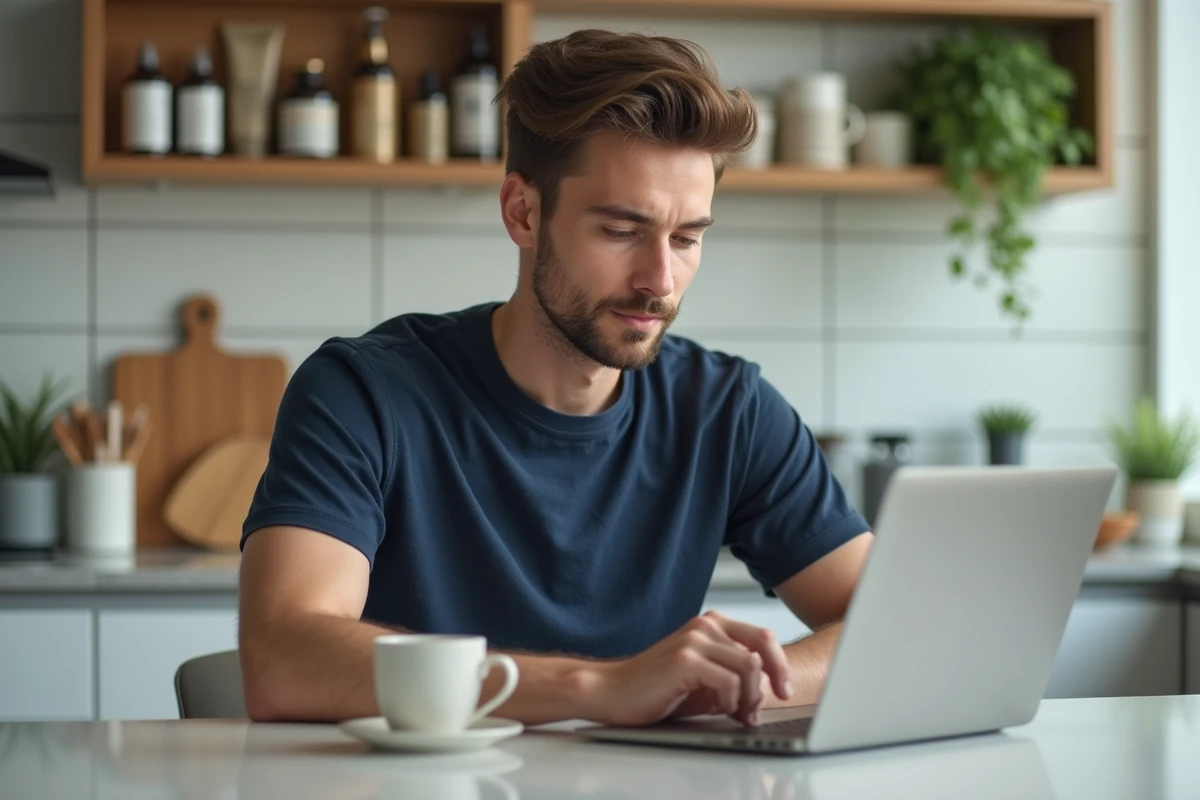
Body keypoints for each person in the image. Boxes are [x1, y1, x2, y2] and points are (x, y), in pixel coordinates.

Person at [237, 28, 873, 729]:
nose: (660, 280)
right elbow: (281, 656)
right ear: (523, 212)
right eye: (621, 231)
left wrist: (736, 684)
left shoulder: (729, 411)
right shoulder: (363, 395)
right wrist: (598, 690)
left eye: (687, 238)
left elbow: (893, 623)